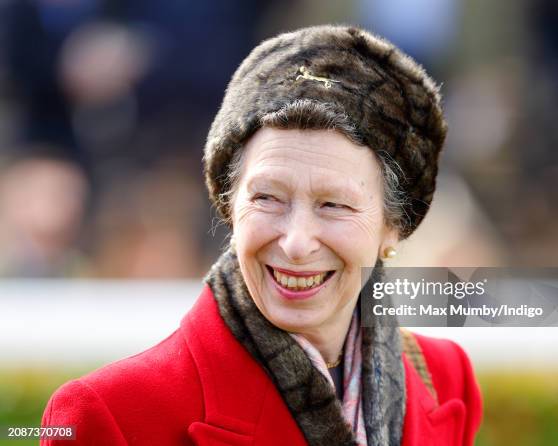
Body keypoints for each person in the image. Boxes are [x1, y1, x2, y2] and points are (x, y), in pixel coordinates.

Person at [41, 25, 482, 445]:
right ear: (229, 205)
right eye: (268, 198)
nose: (295, 241)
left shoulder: (445, 378)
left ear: (394, 226)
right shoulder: (112, 411)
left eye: (334, 205)